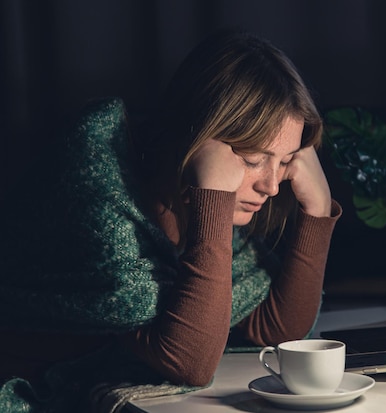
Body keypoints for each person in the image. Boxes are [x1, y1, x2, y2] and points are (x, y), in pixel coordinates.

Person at [0, 29, 341, 412]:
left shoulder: (194, 196)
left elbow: (275, 330)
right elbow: (190, 362)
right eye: (252, 159)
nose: (272, 186)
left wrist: (316, 211)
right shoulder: (97, 177)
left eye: (284, 162)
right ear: (199, 137)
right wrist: (212, 197)